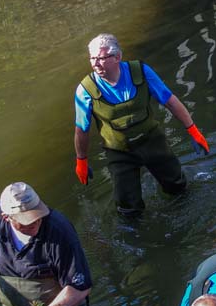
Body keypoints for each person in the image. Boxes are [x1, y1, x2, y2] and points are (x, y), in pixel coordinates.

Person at [74, 33, 209, 216]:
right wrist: (81, 159)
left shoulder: (141, 72)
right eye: (92, 58)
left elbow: (170, 101)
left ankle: (191, 216)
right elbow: (82, 129)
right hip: (119, 152)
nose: (96, 64)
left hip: (153, 141)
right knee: (128, 208)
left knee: (178, 188)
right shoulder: (85, 90)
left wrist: (193, 130)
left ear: (117, 57)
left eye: (101, 58)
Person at [0, 182, 93, 306]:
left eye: (38, 217)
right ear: (6, 217)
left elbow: (80, 288)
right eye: (27, 222)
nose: (35, 223)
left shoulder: (59, 231)